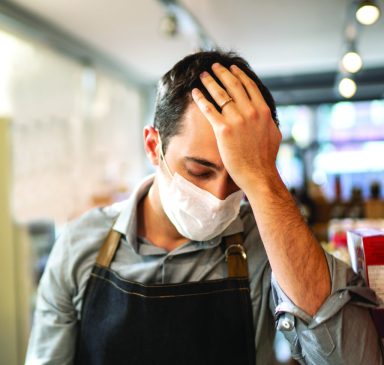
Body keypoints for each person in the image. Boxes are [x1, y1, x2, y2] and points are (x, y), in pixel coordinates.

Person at [25, 50, 383, 365]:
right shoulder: (80, 245)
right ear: (153, 147)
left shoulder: (267, 244)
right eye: (199, 170)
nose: (217, 195)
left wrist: (264, 179)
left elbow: (350, 359)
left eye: (237, 176)